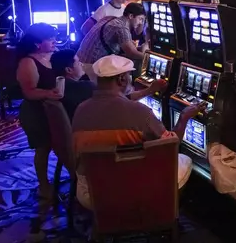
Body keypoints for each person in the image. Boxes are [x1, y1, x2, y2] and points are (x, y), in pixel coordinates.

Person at [72, 55, 203, 210]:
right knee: (183, 159)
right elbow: (171, 145)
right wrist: (184, 117)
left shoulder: (81, 109)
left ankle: (106, 223)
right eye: (129, 75)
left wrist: (149, 90)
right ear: (121, 79)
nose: (130, 78)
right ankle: (161, 215)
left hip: (91, 192)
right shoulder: (141, 113)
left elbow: (118, 101)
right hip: (129, 191)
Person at [50, 49, 168, 120]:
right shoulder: (84, 88)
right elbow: (120, 101)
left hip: (80, 145)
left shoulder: (58, 86)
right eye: (77, 62)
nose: (81, 64)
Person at [16, 23, 61, 200]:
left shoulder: (50, 55)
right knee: (43, 149)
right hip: (35, 113)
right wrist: (50, 93)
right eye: (50, 39)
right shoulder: (28, 62)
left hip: (52, 110)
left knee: (58, 145)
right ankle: (44, 185)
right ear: (36, 43)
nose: (55, 41)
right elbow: (29, 92)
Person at [77, 2, 148, 83]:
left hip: (78, 63)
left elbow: (128, 48)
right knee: (132, 65)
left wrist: (141, 49)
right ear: (131, 16)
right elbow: (132, 53)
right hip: (89, 68)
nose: (141, 23)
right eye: (140, 19)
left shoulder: (110, 18)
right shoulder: (121, 28)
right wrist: (150, 58)